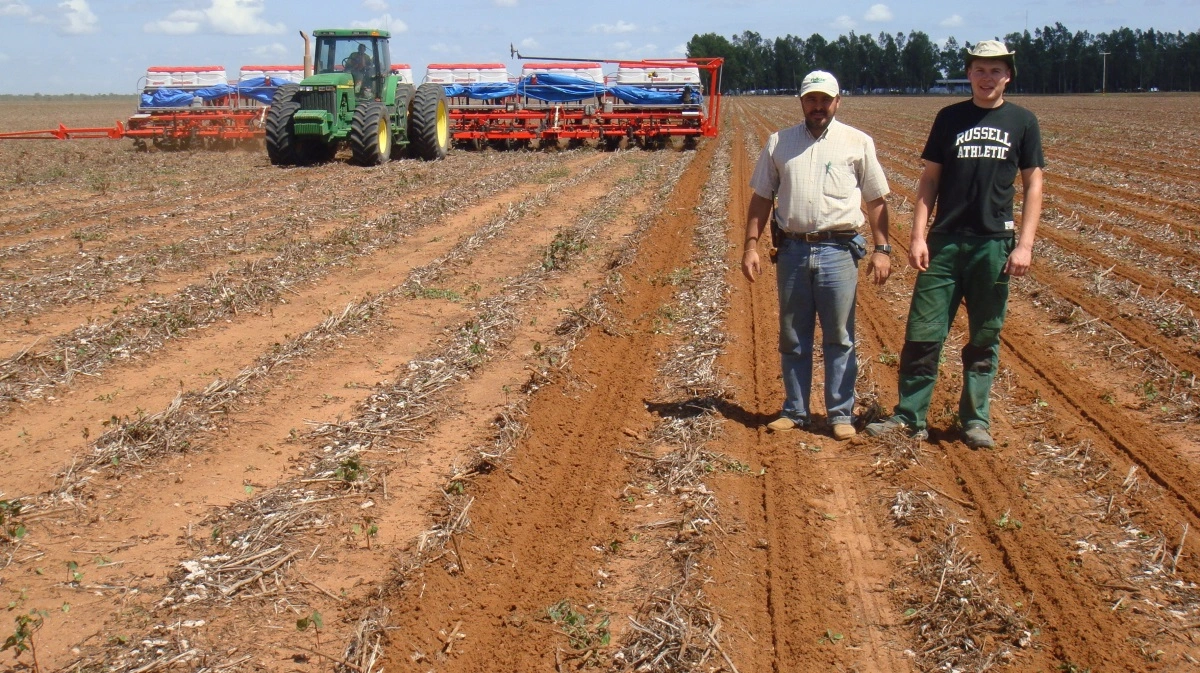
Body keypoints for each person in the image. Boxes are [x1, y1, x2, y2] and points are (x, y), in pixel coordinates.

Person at [866, 40, 1044, 448]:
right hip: (945, 243)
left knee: (985, 335)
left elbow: (1034, 182)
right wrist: (917, 236)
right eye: (980, 70)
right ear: (969, 74)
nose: (988, 78)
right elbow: (929, 180)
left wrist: (1025, 245)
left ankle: (975, 420)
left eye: (996, 70)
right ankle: (910, 417)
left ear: (1008, 76)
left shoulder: (1023, 121)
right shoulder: (949, 118)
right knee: (923, 333)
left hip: (995, 245)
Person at [742, 70, 892, 441]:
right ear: (802, 102)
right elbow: (762, 197)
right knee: (793, 335)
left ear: (837, 102)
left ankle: (840, 413)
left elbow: (875, 199)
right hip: (792, 249)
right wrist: (750, 244)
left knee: (839, 336)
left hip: (839, 249)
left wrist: (882, 248)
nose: (818, 106)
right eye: (812, 99)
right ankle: (795, 410)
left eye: (826, 99)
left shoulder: (857, 142)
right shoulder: (780, 142)